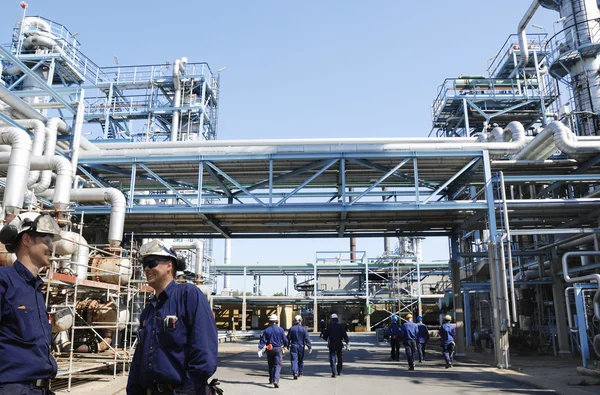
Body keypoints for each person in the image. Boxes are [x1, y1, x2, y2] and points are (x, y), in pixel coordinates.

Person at [127, 240, 219, 395]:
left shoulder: (188, 295)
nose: (147, 269)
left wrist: (186, 390)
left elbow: (204, 352)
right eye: (144, 265)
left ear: (169, 265)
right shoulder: (149, 309)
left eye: (152, 263)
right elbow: (139, 358)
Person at [0, 212, 62, 395]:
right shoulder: (5, 280)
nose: (51, 246)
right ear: (26, 239)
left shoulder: (36, 289)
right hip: (12, 387)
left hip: (38, 388)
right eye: (46, 239)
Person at [258, 314, 289, 388]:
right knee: (277, 365)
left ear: (270, 321)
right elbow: (285, 340)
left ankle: (271, 379)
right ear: (276, 321)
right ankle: (276, 380)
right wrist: (285, 346)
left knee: (270, 365)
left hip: (269, 349)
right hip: (278, 349)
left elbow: (263, 340)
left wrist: (260, 348)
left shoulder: (266, 330)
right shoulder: (280, 329)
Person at [322, 313, 349, 378]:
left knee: (332, 358)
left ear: (331, 319)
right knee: (339, 358)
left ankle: (334, 372)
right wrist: (347, 342)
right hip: (339, 344)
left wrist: (326, 338)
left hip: (332, 344)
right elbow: (345, 335)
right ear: (337, 319)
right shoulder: (341, 326)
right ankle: (339, 370)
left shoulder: (329, 327)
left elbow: (325, 335)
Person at [286, 315, 312, 379]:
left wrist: (287, 345)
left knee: (294, 360)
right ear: (300, 321)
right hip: (301, 346)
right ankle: (300, 373)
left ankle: (295, 372)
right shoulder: (303, 329)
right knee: (300, 360)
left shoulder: (291, 329)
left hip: (293, 346)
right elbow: (307, 339)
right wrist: (309, 347)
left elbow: (288, 338)